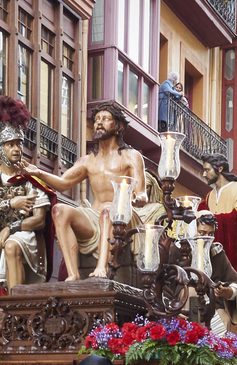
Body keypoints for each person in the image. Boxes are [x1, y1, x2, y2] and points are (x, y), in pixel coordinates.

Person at [25, 103, 148, 280]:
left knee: (108, 212)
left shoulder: (131, 156)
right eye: (97, 119)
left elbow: (142, 193)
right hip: (94, 216)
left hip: (122, 216)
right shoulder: (88, 161)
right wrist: (38, 172)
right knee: (59, 211)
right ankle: (73, 274)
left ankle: (102, 268)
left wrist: (137, 199)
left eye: (105, 119)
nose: (99, 123)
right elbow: (63, 184)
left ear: (118, 126)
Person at [0, 95, 54, 292]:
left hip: (29, 239)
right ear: (0, 148)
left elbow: (39, 220)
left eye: (19, 144)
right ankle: (14, 304)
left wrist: (10, 229)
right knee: (10, 246)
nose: (17, 149)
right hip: (6, 240)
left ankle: (15, 305)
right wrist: (13, 203)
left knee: (11, 245)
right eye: (11, 144)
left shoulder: (31, 177)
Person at [200, 153, 237, 329]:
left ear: (220, 168)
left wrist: (208, 218)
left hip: (234, 256)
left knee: (233, 301)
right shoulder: (208, 197)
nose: (204, 174)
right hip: (210, 258)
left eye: (207, 170)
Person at [187, 212, 237, 334]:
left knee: (222, 324)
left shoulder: (217, 254)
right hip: (185, 307)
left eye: (210, 234)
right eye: (202, 233)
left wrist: (228, 291)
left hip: (214, 309)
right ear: (193, 230)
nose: (206, 238)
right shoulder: (180, 250)